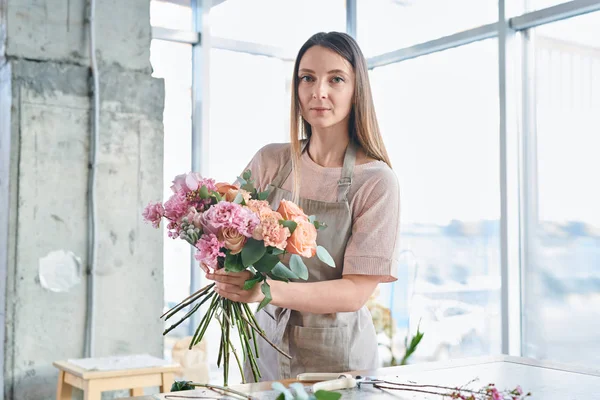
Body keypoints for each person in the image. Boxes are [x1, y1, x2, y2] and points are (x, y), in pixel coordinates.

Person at [205, 31, 401, 381]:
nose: (318, 92)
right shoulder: (269, 162)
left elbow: (355, 291)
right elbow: (226, 231)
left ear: (357, 90)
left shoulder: (375, 181)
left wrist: (264, 290)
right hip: (265, 345)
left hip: (337, 360)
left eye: (335, 79)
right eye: (307, 78)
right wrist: (223, 267)